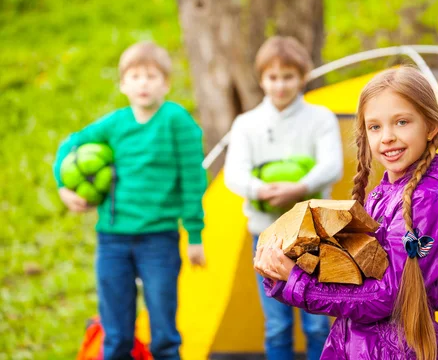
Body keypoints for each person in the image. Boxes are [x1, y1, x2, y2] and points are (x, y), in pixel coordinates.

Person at [254, 66, 438, 360]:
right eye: (375, 127)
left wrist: (298, 282)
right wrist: (285, 271)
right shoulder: (384, 193)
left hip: (397, 351)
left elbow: (386, 296)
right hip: (358, 345)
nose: (387, 137)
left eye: (402, 122)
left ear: (431, 126)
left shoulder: (427, 201)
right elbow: (354, 281)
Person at [53, 41, 208, 360]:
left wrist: (194, 235)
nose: (143, 83)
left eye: (151, 76)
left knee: (164, 334)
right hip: (113, 241)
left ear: (165, 83)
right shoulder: (115, 123)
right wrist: (62, 187)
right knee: (117, 335)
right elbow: (70, 145)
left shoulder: (176, 121)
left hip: (159, 241)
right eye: (135, 77)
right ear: (123, 84)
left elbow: (194, 180)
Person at [224, 36, 343, 360]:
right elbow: (235, 173)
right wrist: (260, 190)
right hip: (267, 236)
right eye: (273, 77)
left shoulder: (320, 118)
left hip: (315, 234)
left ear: (303, 77)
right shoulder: (246, 124)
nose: (280, 85)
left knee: (318, 322)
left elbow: (332, 165)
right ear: (261, 78)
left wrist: (299, 188)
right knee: (276, 323)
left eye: (288, 77)